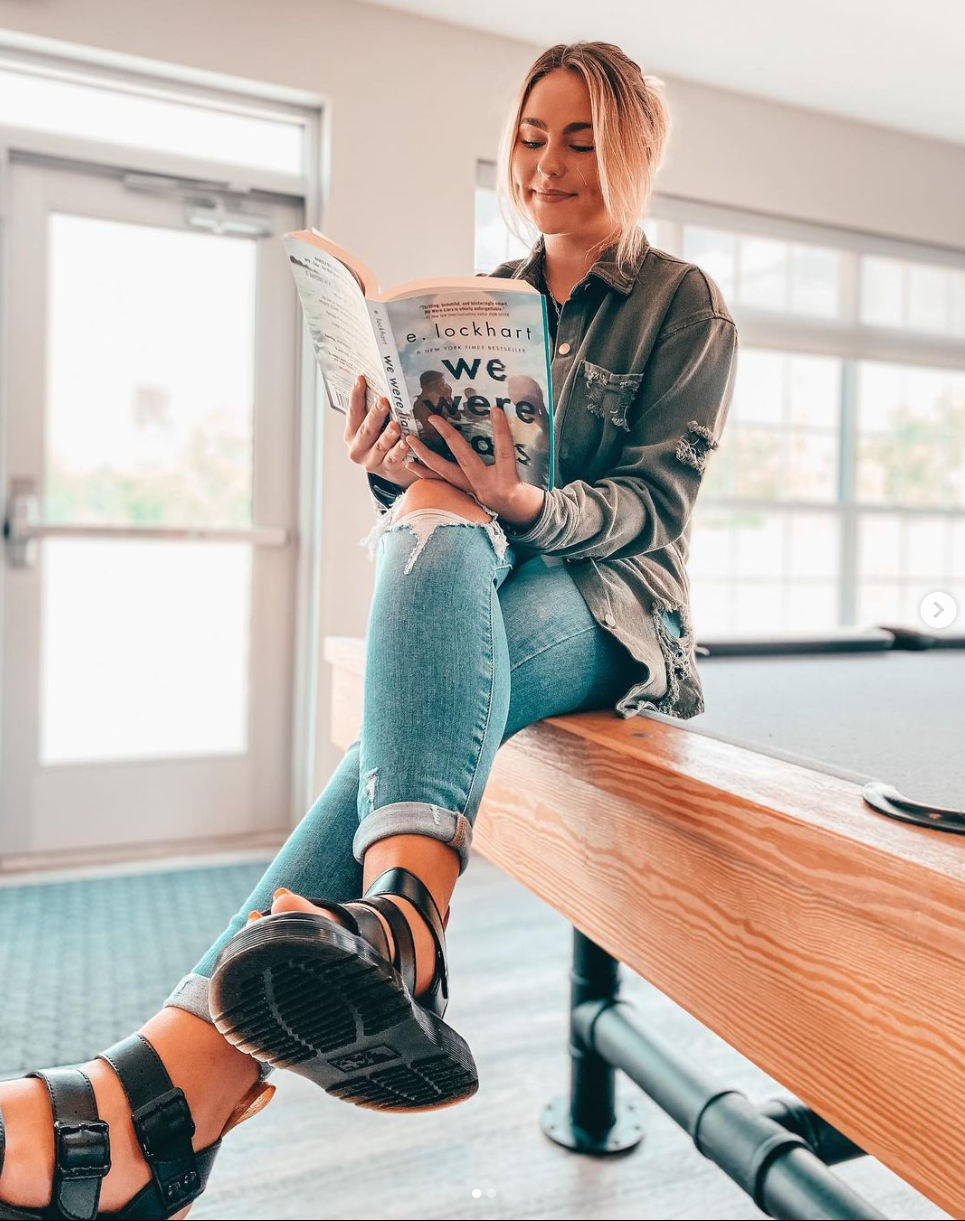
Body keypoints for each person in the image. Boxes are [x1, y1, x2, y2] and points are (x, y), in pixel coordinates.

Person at [0, 39, 738, 1218]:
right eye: (531, 137)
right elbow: (444, 509)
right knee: (427, 546)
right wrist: (394, 469)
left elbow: (654, 507)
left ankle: (164, 1088)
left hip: (608, 609)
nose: (546, 163)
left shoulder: (678, 303)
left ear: (631, 150)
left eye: (580, 139)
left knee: (395, 735)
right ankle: (393, 926)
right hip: (482, 577)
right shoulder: (491, 292)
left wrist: (521, 503)